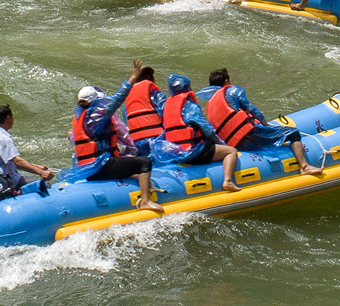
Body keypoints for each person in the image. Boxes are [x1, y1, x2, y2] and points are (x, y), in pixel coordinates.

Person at [67, 60, 164, 213]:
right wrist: (132, 78)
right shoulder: (96, 116)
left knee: (128, 163)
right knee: (144, 162)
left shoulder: (80, 116)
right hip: (100, 167)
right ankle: (145, 201)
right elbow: (118, 99)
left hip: (88, 170)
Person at [203, 69, 323, 175]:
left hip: (233, 144)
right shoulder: (233, 90)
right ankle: (305, 166)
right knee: (293, 133)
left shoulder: (209, 105)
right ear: (225, 82)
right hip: (249, 136)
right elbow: (251, 109)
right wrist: (266, 124)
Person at [160, 74, 241, 191]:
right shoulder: (190, 106)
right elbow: (206, 129)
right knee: (231, 151)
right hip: (194, 153)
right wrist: (221, 143)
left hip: (177, 153)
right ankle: (228, 181)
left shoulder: (167, 107)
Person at [0, 104, 54, 192]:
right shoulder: (2, 138)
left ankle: (20, 192)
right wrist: (41, 173)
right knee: (45, 185)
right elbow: (17, 161)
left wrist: (38, 167)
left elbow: (11, 162)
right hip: (2, 182)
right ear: (8, 118)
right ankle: (19, 193)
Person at [122, 64, 167, 156]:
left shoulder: (127, 102)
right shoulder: (154, 92)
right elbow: (167, 111)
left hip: (137, 143)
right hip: (157, 139)